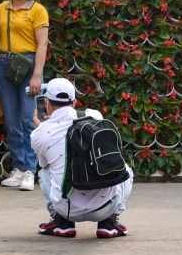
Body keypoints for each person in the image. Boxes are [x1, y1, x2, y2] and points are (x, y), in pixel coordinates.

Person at [31, 78, 132, 239]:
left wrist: (42, 128)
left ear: (46, 102)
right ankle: (109, 223)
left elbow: (45, 164)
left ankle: (61, 223)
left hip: (67, 209)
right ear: (75, 102)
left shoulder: (39, 133)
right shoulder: (94, 116)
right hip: (106, 206)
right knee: (125, 169)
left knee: (45, 171)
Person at [0, 0, 50, 192]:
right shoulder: (1, 8)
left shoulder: (38, 10)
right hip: (6, 65)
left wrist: (36, 75)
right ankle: (18, 167)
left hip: (28, 64)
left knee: (29, 119)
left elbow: (42, 44)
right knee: (11, 118)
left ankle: (30, 169)